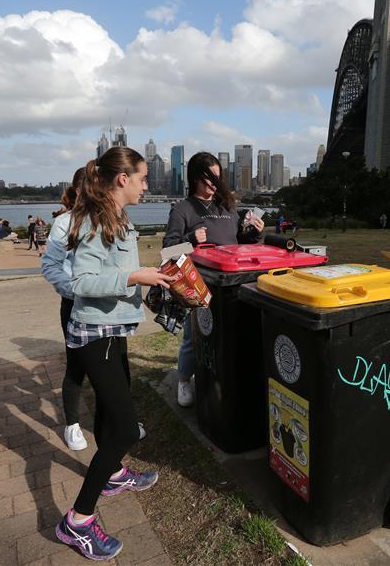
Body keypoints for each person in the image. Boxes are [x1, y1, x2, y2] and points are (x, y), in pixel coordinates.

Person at [54, 147, 174, 561]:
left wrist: (151, 279)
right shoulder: (91, 220)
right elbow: (82, 281)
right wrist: (134, 275)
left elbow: (114, 273)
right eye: (142, 179)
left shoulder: (116, 216)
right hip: (94, 336)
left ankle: (113, 476)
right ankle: (77, 521)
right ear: (122, 179)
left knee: (112, 414)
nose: (147, 186)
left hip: (112, 330)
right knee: (124, 429)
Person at [163, 152, 264, 407]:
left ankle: (224, 374)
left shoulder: (227, 207)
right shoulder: (182, 209)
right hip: (197, 282)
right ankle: (184, 380)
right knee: (193, 335)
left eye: (218, 178)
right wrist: (191, 240)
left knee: (229, 333)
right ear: (195, 178)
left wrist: (253, 233)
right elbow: (167, 251)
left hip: (232, 281)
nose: (214, 184)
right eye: (209, 178)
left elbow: (239, 243)